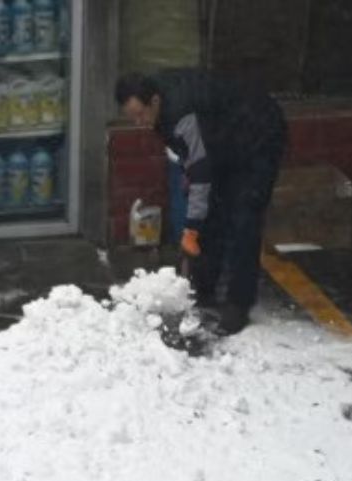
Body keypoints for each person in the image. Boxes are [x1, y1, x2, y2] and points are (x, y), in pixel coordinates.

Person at [116, 69, 287, 336]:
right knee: (214, 209)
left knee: (243, 218)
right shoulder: (161, 107)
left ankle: (238, 303)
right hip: (224, 137)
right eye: (131, 116)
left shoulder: (179, 113)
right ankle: (204, 289)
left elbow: (201, 171)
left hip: (258, 136)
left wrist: (191, 229)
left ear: (155, 102)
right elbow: (194, 155)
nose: (139, 122)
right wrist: (190, 171)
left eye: (141, 113)